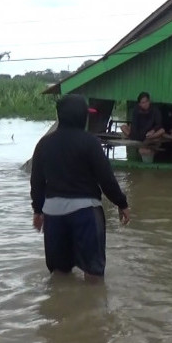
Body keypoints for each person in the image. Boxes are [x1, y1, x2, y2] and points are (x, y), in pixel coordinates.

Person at [30, 94, 130, 281]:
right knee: (93, 275)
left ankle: (60, 308)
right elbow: (106, 179)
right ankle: (91, 310)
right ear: (82, 117)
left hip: (53, 213)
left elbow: (36, 182)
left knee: (59, 275)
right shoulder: (90, 142)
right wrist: (122, 203)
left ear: (60, 116)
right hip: (85, 212)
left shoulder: (44, 144)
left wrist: (37, 210)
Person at [120, 92, 165, 161]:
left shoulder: (155, 110)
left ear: (149, 101)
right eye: (143, 102)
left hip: (150, 134)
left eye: (147, 101)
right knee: (123, 127)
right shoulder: (136, 110)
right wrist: (135, 135)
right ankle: (137, 140)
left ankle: (146, 141)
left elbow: (159, 124)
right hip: (138, 134)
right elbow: (134, 124)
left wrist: (152, 131)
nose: (145, 104)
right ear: (140, 104)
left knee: (162, 131)